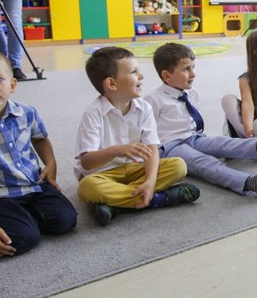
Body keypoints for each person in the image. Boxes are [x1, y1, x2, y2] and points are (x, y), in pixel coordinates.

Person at [0, 49, 77, 255]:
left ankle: (23, 217)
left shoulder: (27, 112)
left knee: (65, 221)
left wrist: (51, 164)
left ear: (12, 84)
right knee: (21, 239)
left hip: (34, 185)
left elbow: (40, 139)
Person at [145, 43, 257, 199]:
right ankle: (252, 183)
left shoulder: (192, 93)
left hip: (193, 137)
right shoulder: (152, 99)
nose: (193, 74)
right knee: (205, 162)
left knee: (223, 143)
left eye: (193, 67)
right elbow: (142, 131)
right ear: (166, 76)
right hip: (171, 147)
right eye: (186, 69)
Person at [76, 47, 196, 227]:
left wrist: (149, 181)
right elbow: (87, 162)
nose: (141, 76)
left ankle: (117, 205)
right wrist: (116, 150)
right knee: (87, 187)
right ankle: (157, 199)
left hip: (135, 169)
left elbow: (152, 148)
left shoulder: (144, 107)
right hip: (103, 174)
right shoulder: (93, 113)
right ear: (112, 84)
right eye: (134, 72)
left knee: (178, 166)